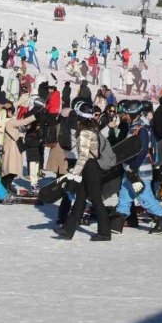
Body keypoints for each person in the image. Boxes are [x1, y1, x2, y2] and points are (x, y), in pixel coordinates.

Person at [109, 100, 162, 235]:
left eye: (124, 113)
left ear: (131, 114)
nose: (122, 115)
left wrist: (133, 168)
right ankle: (117, 223)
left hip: (139, 171)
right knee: (125, 195)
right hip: (130, 171)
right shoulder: (135, 127)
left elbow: (141, 151)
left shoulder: (141, 129)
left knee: (145, 197)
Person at [55, 101, 111, 241]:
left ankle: (105, 232)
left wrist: (74, 173)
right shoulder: (91, 128)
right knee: (80, 200)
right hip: (90, 167)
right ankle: (68, 230)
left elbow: (84, 156)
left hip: (90, 167)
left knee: (96, 200)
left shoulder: (85, 132)